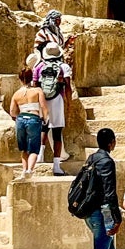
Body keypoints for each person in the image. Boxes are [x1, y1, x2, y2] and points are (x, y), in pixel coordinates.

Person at [82, 128, 122, 249]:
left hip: (90, 212)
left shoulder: (92, 158)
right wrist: (117, 218)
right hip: (101, 212)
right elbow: (110, 192)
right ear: (111, 142)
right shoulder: (106, 161)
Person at [36, 42, 72, 176]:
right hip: (57, 99)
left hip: (43, 99)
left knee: (43, 127)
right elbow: (67, 86)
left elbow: (35, 85)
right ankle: (56, 165)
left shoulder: (39, 67)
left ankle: (40, 155)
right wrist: (69, 101)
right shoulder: (64, 67)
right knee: (57, 132)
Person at [7, 68, 49, 178]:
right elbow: (44, 107)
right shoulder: (38, 91)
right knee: (34, 148)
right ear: (32, 78)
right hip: (34, 119)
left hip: (21, 119)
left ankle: (24, 171)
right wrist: (45, 119)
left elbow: (12, 112)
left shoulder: (16, 94)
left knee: (24, 148)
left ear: (20, 79)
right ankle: (30, 170)